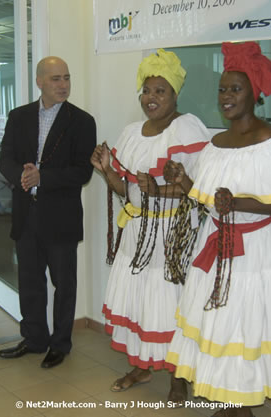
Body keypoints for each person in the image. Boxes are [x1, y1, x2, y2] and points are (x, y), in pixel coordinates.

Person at [164, 42, 271, 416]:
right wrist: (184, 182)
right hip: (215, 243)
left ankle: (241, 403)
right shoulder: (216, 143)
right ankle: (228, 397)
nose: (226, 96)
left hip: (254, 249)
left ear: (254, 94)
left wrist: (238, 203)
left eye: (236, 89)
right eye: (223, 89)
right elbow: (208, 196)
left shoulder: (270, 142)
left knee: (244, 323)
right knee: (218, 320)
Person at [90, 49, 210, 404]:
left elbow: (198, 190)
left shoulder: (187, 128)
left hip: (172, 237)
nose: (151, 98)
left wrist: (159, 190)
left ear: (175, 94)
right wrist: (106, 171)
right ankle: (143, 366)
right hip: (137, 237)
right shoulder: (130, 133)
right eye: (147, 90)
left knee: (170, 304)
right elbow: (125, 190)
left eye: (160, 91)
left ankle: (178, 379)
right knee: (140, 303)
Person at [0, 56, 96, 369]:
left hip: (61, 215)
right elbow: (6, 158)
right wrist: (22, 177)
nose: (63, 84)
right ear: (39, 81)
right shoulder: (19, 116)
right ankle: (35, 338)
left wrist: (43, 177)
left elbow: (82, 172)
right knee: (29, 280)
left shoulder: (82, 121)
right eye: (55, 78)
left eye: (66, 77)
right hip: (27, 213)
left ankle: (60, 344)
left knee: (64, 284)